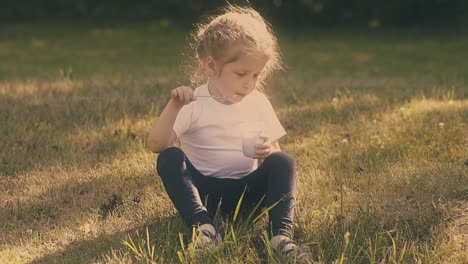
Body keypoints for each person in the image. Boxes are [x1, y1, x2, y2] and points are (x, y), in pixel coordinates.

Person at [148, 5, 310, 262]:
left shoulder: (258, 101)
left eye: (256, 74)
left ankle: (280, 235)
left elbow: (275, 152)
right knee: (169, 158)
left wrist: (269, 150)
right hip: (203, 193)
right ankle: (203, 227)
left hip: (247, 195)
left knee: (284, 161)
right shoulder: (194, 103)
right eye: (241, 74)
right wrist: (174, 105)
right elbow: (157, 144)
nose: (250, 83)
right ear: (211, 66)